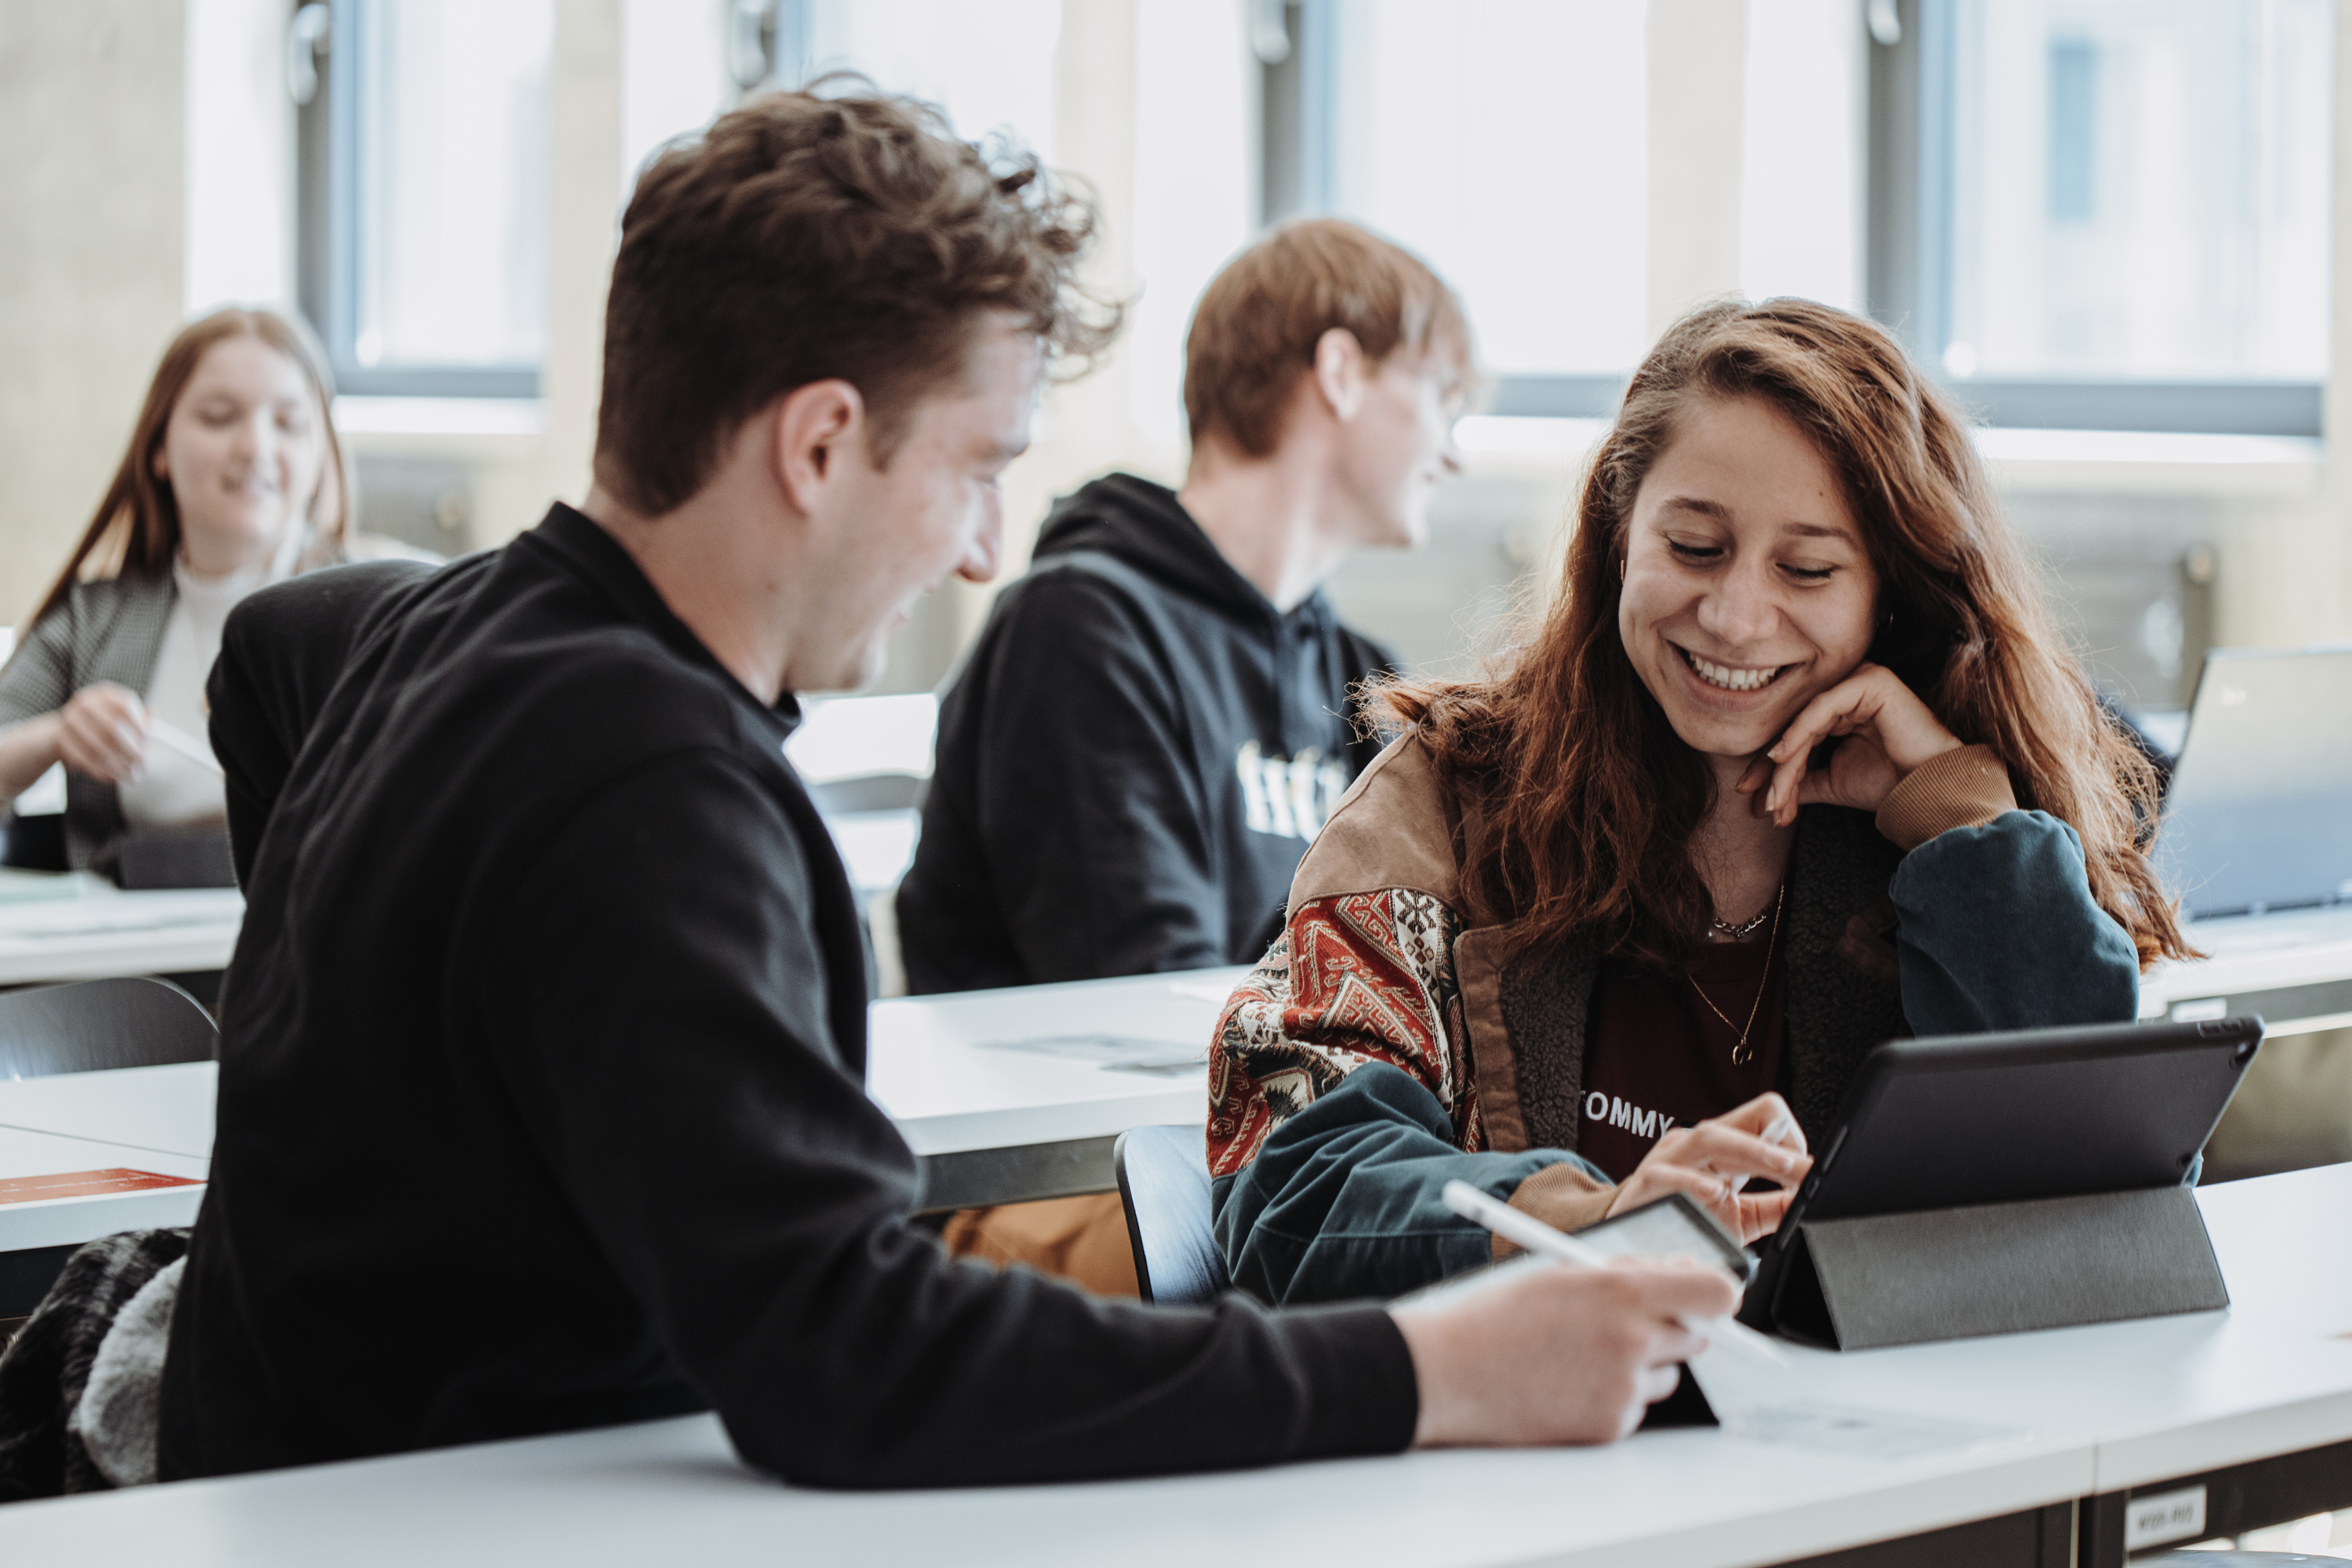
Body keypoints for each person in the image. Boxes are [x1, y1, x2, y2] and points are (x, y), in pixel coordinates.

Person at [156, 85, 1737, 1489]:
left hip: (320, 1448)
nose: (987, 547)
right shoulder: (650, 784)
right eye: (978, 466)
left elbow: (272, 651)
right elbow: (847, 1360)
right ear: (822, 443)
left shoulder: (442, 619)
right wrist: (1437, 1372)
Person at [1207, 298, 2191, 1307]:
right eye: (1694, 547)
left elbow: (2112, 1178)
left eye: (1806, 568)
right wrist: (1592, 1225)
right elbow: (1289, 1179)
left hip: (1868, 1443)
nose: (1733, 615)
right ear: (1619, 534)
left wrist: (1958, 818)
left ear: (1890, 592)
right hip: (1550, 1443)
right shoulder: (1447, 799)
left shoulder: (1951, 825)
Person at [896, 217, 1469, 996]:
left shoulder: (1359, 671)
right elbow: (1150, 995)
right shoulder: (1081, 629)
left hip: (1297, 1105)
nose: (1453, 452)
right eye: (1442, 395)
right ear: (1340, 370)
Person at [0, 309, 351, 875]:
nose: (256, 446)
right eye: (219, 417)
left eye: (289, 423)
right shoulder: (94, 620)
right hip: (135, 957)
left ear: (321, 457)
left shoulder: (381, 609)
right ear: (158, 448)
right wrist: (55, 737)